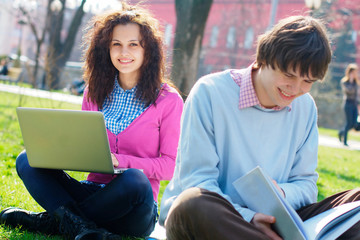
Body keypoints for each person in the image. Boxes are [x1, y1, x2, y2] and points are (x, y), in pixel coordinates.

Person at [159, 15, 360, 240]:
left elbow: (306, 185)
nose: (295, 89)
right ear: (264, 58)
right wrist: (249, 217)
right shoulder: (210, 93)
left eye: (308, 81)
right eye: (288, 75)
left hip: (277, 220)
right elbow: (196, 180)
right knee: (192, 202)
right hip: (220, 218)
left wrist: (280, 193)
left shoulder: (305, 107)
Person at [0, 3, 183, 240]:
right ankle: (79, 226)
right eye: (116, 44)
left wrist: (121, 161)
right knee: (27, 159)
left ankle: (55, 220)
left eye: (133, 45)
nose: (123, 52)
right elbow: (84, 151)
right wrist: (61, 151)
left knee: (134, 179)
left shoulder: (168, 100)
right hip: (92, 193)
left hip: (135, 205)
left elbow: (170, 165)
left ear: (148, 50)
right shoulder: (94, 91)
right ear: (105, 48)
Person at [338, 63, 359, 146]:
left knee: (354, 124)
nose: (355, 74)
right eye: (353, 72)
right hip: (348, 104)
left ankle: (341, 132)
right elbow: (349, 91)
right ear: (349, 73)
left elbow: (357, 95)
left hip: (354, 105)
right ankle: (345, 141)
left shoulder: (356, 83)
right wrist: (350, 80)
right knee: (349, 123)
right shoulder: (345, 82)